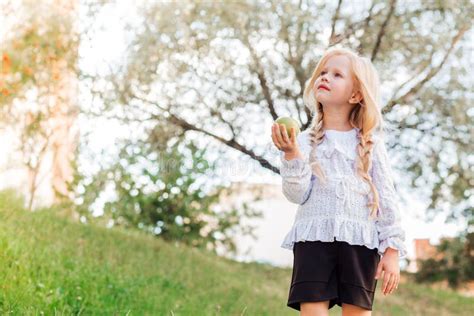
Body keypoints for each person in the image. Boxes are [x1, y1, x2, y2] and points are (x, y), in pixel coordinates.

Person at [271, 46, 407, 316]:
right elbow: (296, 194)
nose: (325, 77)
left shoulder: (370, 144)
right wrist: (291, 155)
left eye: (336, 74)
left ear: (356, 94)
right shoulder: (303, 142)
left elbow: (387, 198)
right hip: (313, 238)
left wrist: (392, 249)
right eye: (322, 72)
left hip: (360, 240)